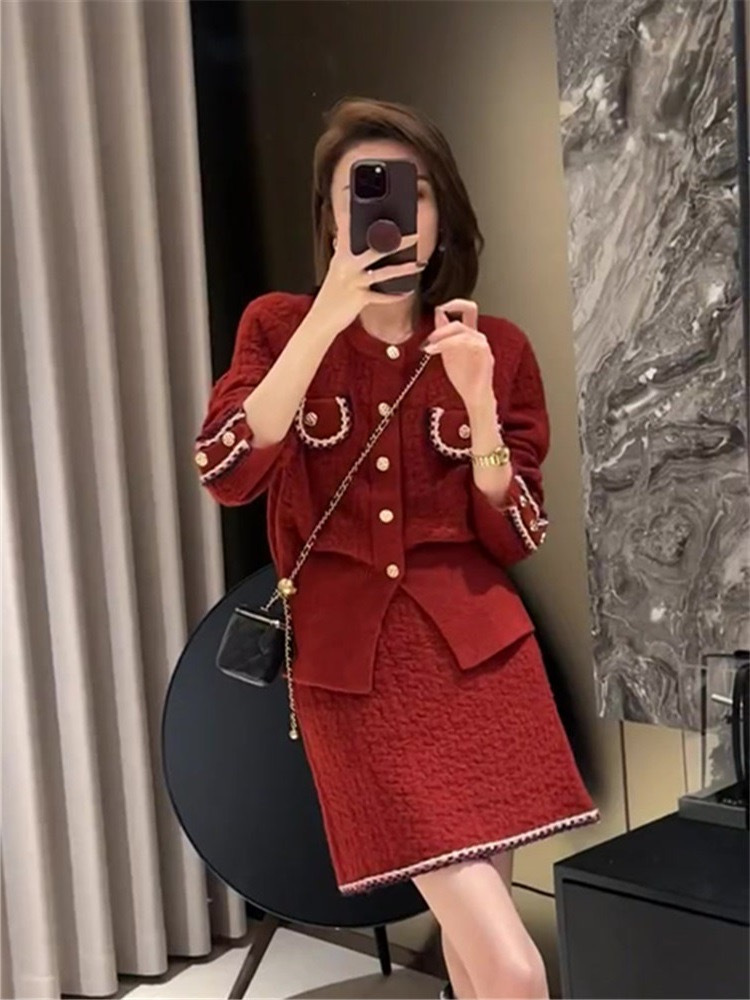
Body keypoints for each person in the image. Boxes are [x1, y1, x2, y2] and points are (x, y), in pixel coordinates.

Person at [194, 97, 601, 1000]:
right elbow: (226, 469)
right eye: (361, 192)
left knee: (477, 941)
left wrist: (480, 403)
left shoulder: (494, 347)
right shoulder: (278, 327)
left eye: (409, 192)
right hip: (356, 680)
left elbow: (517, 532)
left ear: (440, 212)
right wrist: (324, 322)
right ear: (331, 218)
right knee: (514, 965)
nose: (387, 212)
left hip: (485, 666)